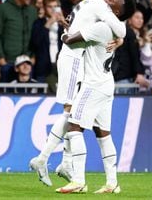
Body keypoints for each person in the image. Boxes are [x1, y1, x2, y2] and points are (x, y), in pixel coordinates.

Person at [29, 0, 133, 187]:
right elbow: (121, 29)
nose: (114, 3)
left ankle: (59, 162)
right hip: (74, 59)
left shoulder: (88, 2)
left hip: (76, 59)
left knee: (73, 115)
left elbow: (77, 23)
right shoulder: (100, 9)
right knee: (71, 114)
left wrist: (68, 32)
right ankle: (46, 159)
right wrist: (120, 39)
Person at [56, 15, 131, 194]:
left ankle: (78, 181)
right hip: (106, 83)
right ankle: (112, 183)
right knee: (103, 134)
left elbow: (70, 41)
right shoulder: (112, 29)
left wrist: (64, 32)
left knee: (74, 126)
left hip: (93, 85)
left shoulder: (98, 29)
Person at [0, 0, 38, 82]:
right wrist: (1, 57)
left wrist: (33, 56)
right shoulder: (2, 9)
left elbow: (35, 35)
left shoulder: (32, 11)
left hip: (27, 62)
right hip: (8, 61)